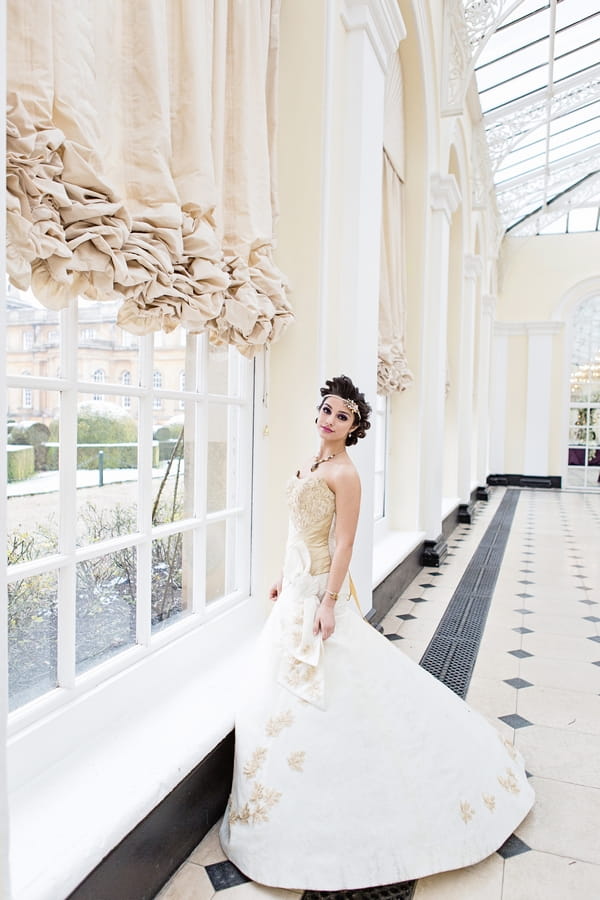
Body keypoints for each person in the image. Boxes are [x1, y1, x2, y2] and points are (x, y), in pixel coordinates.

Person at [219, 374, 534, 890]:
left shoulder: (345, 473)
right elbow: (302, 530)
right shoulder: (312, 461)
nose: (330, 419)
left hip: (319, 593)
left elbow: (343, 545)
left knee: (341, 685)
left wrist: (327, 602)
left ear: (355, 428)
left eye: (343, 416)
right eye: (326, 409)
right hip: (296, 587)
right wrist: (283, 573)